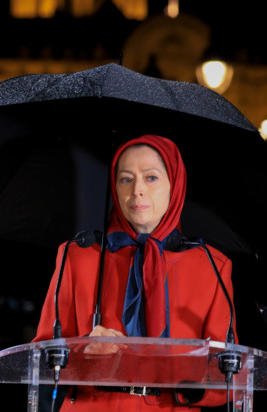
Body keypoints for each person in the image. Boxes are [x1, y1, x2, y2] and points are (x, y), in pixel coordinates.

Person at [33, 134, 237, 411]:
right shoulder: (76, 255)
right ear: (115, 188)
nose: (137, 190)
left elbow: (230, 372)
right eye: (126, 179)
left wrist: (183, 379)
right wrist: (82, 349)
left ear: (174, 185)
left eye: (151, 177)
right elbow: (40, 358)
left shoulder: (212, 266)